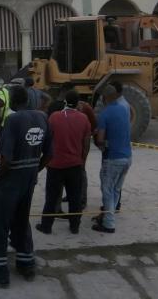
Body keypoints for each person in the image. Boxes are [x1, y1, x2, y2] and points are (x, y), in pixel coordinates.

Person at [0, 86, 51, 289]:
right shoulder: (42, 118)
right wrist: (34, 170)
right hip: (29, 177)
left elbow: (6, 158)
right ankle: (26, 264)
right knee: (22, 221)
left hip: (11, 179)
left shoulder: (12, 121)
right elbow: (49, 154)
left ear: (14, 101)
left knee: (1, 224)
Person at [36, 90, 91, 235]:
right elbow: (86, 144)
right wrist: (82, 162)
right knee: (75, 198)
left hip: (55, 165)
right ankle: (74, 226)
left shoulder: (54, 117)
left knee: (51, 198)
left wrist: (45, 160)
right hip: (75, 165)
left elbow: (47, 139)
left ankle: (46, 226)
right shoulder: (84, 118)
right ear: (78, 103)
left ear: (65, 102)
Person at [93, 84, 132, 234]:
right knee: (116, 190)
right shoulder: (124, 108)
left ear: (105, 97)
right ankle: (109, 216)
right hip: (127, 157)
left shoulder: (105, 113)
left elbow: (101, 140)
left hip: (113, 158)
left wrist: (98, 140)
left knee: (107, 190)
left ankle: (108, 224)